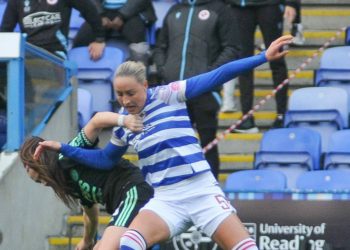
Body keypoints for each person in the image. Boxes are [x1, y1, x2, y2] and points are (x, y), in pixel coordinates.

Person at [36, 35, 292, 250]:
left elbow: (217, 75)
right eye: (119, 94)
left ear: (145, 85)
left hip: (201, 191)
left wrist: (262, 58)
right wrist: (63, 147)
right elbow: (104, 160)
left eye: (130, 93)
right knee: (128, 243)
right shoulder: (125, 123)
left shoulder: (170, 95)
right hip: (166, 199)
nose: (125, 100)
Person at [20, 112, 153, 250]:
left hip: (133, 191)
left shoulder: (68, 153)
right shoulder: (68, 183)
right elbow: (90, 213)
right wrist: (87, 240)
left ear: (42, 160)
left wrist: (125, 120)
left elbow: (97, 120)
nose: (44, 183)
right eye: (38, 182)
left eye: (41, 177)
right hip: (124, 204)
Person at [153, 0, 241, 179]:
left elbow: (232, 48)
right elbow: (161, 47)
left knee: (208, 144)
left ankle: (212, 193)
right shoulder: (174, 10)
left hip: (205, 92)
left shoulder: (220, 9)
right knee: (173, 145)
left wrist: (209, 76)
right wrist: (164, 69)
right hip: (175, 92)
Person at [226, 0, 297, 132]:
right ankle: (247, 118)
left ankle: (281, 115)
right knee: (244, 62)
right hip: (239, 6)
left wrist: (292, 3)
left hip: (270, 5)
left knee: (277, 61)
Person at [0, 0, 106, 60]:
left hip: (55, 53)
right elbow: (5, 29)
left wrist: (99, 39)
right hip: (28, 53)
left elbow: (90, 10)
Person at [73, 0, 156, 64]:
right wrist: (100, 15)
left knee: (139, 47)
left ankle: (138, 79)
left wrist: (122, 15)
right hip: (100, 12)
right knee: (79, 43)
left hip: (134, 13)